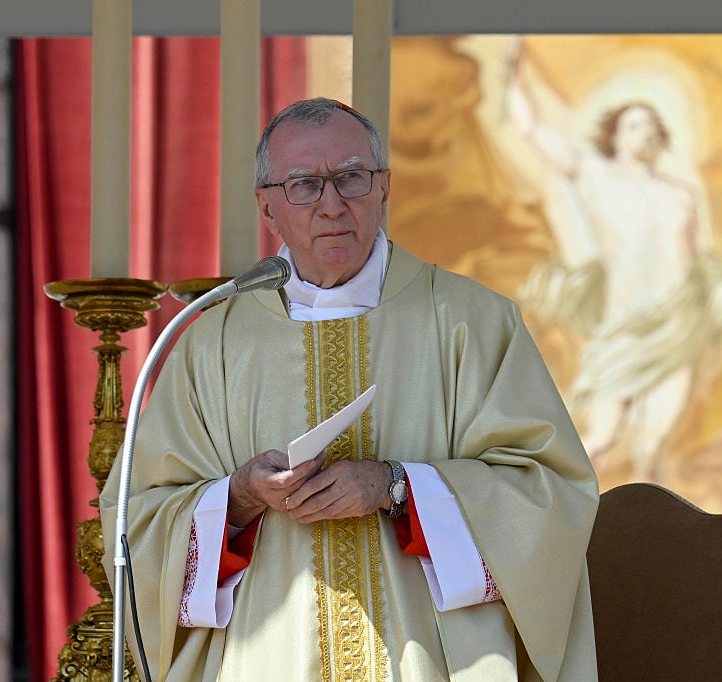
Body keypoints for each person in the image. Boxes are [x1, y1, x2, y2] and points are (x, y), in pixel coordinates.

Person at [99, 98, 599, 681]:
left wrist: (396, 487)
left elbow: (551, 493)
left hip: (427, 657)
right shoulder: (211, 343)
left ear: (384, 188)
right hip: (271, 655)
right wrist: (238, 497)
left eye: (351, 178)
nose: (332, 205)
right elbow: (136, 523)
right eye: (304, 185)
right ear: (267, 206)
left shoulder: (472, 321)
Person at [505, 46, 722, 479]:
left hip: (677, 329)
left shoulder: (681, 196)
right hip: (624, 331)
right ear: (615, 135)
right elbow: (531, 129)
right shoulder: (596, 177)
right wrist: (512, 73)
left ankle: (645, 539)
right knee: (601, 437)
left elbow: (702, 268)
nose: (643, 131)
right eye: (633, 123)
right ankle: (544, 517)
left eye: (650, 124)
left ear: (662, 136)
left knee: (654, 444)